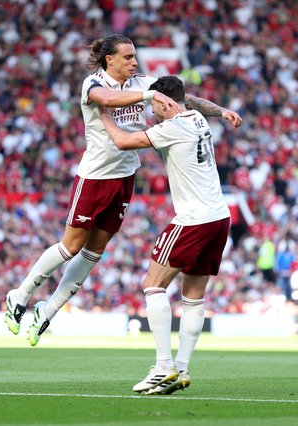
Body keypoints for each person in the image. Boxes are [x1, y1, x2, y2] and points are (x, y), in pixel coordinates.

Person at [4, 34, 242, 347]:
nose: (134, 62)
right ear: (109, 60)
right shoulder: (94, 84)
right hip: (95, 177)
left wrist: (219, 110)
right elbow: (108, 100)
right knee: (70, 246)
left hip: (125, 176)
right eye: (127, 57)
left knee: (92, 254)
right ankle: (19, 295)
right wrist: (148, 95)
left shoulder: (142, 82)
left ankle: (46, 312)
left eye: (134, 56)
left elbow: (184, 100)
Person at [99, 76, 231, 395]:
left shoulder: (173, 127)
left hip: (193, 219)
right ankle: (182, 369)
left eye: (153, 106)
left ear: (163, 102)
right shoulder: (197, 118)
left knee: (153, 285)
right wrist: (222, 110)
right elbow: (195, 103)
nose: (152, 112)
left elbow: (123, 141)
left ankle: (162, 367)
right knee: (193, 296)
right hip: (219, 217)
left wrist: (102, 113)